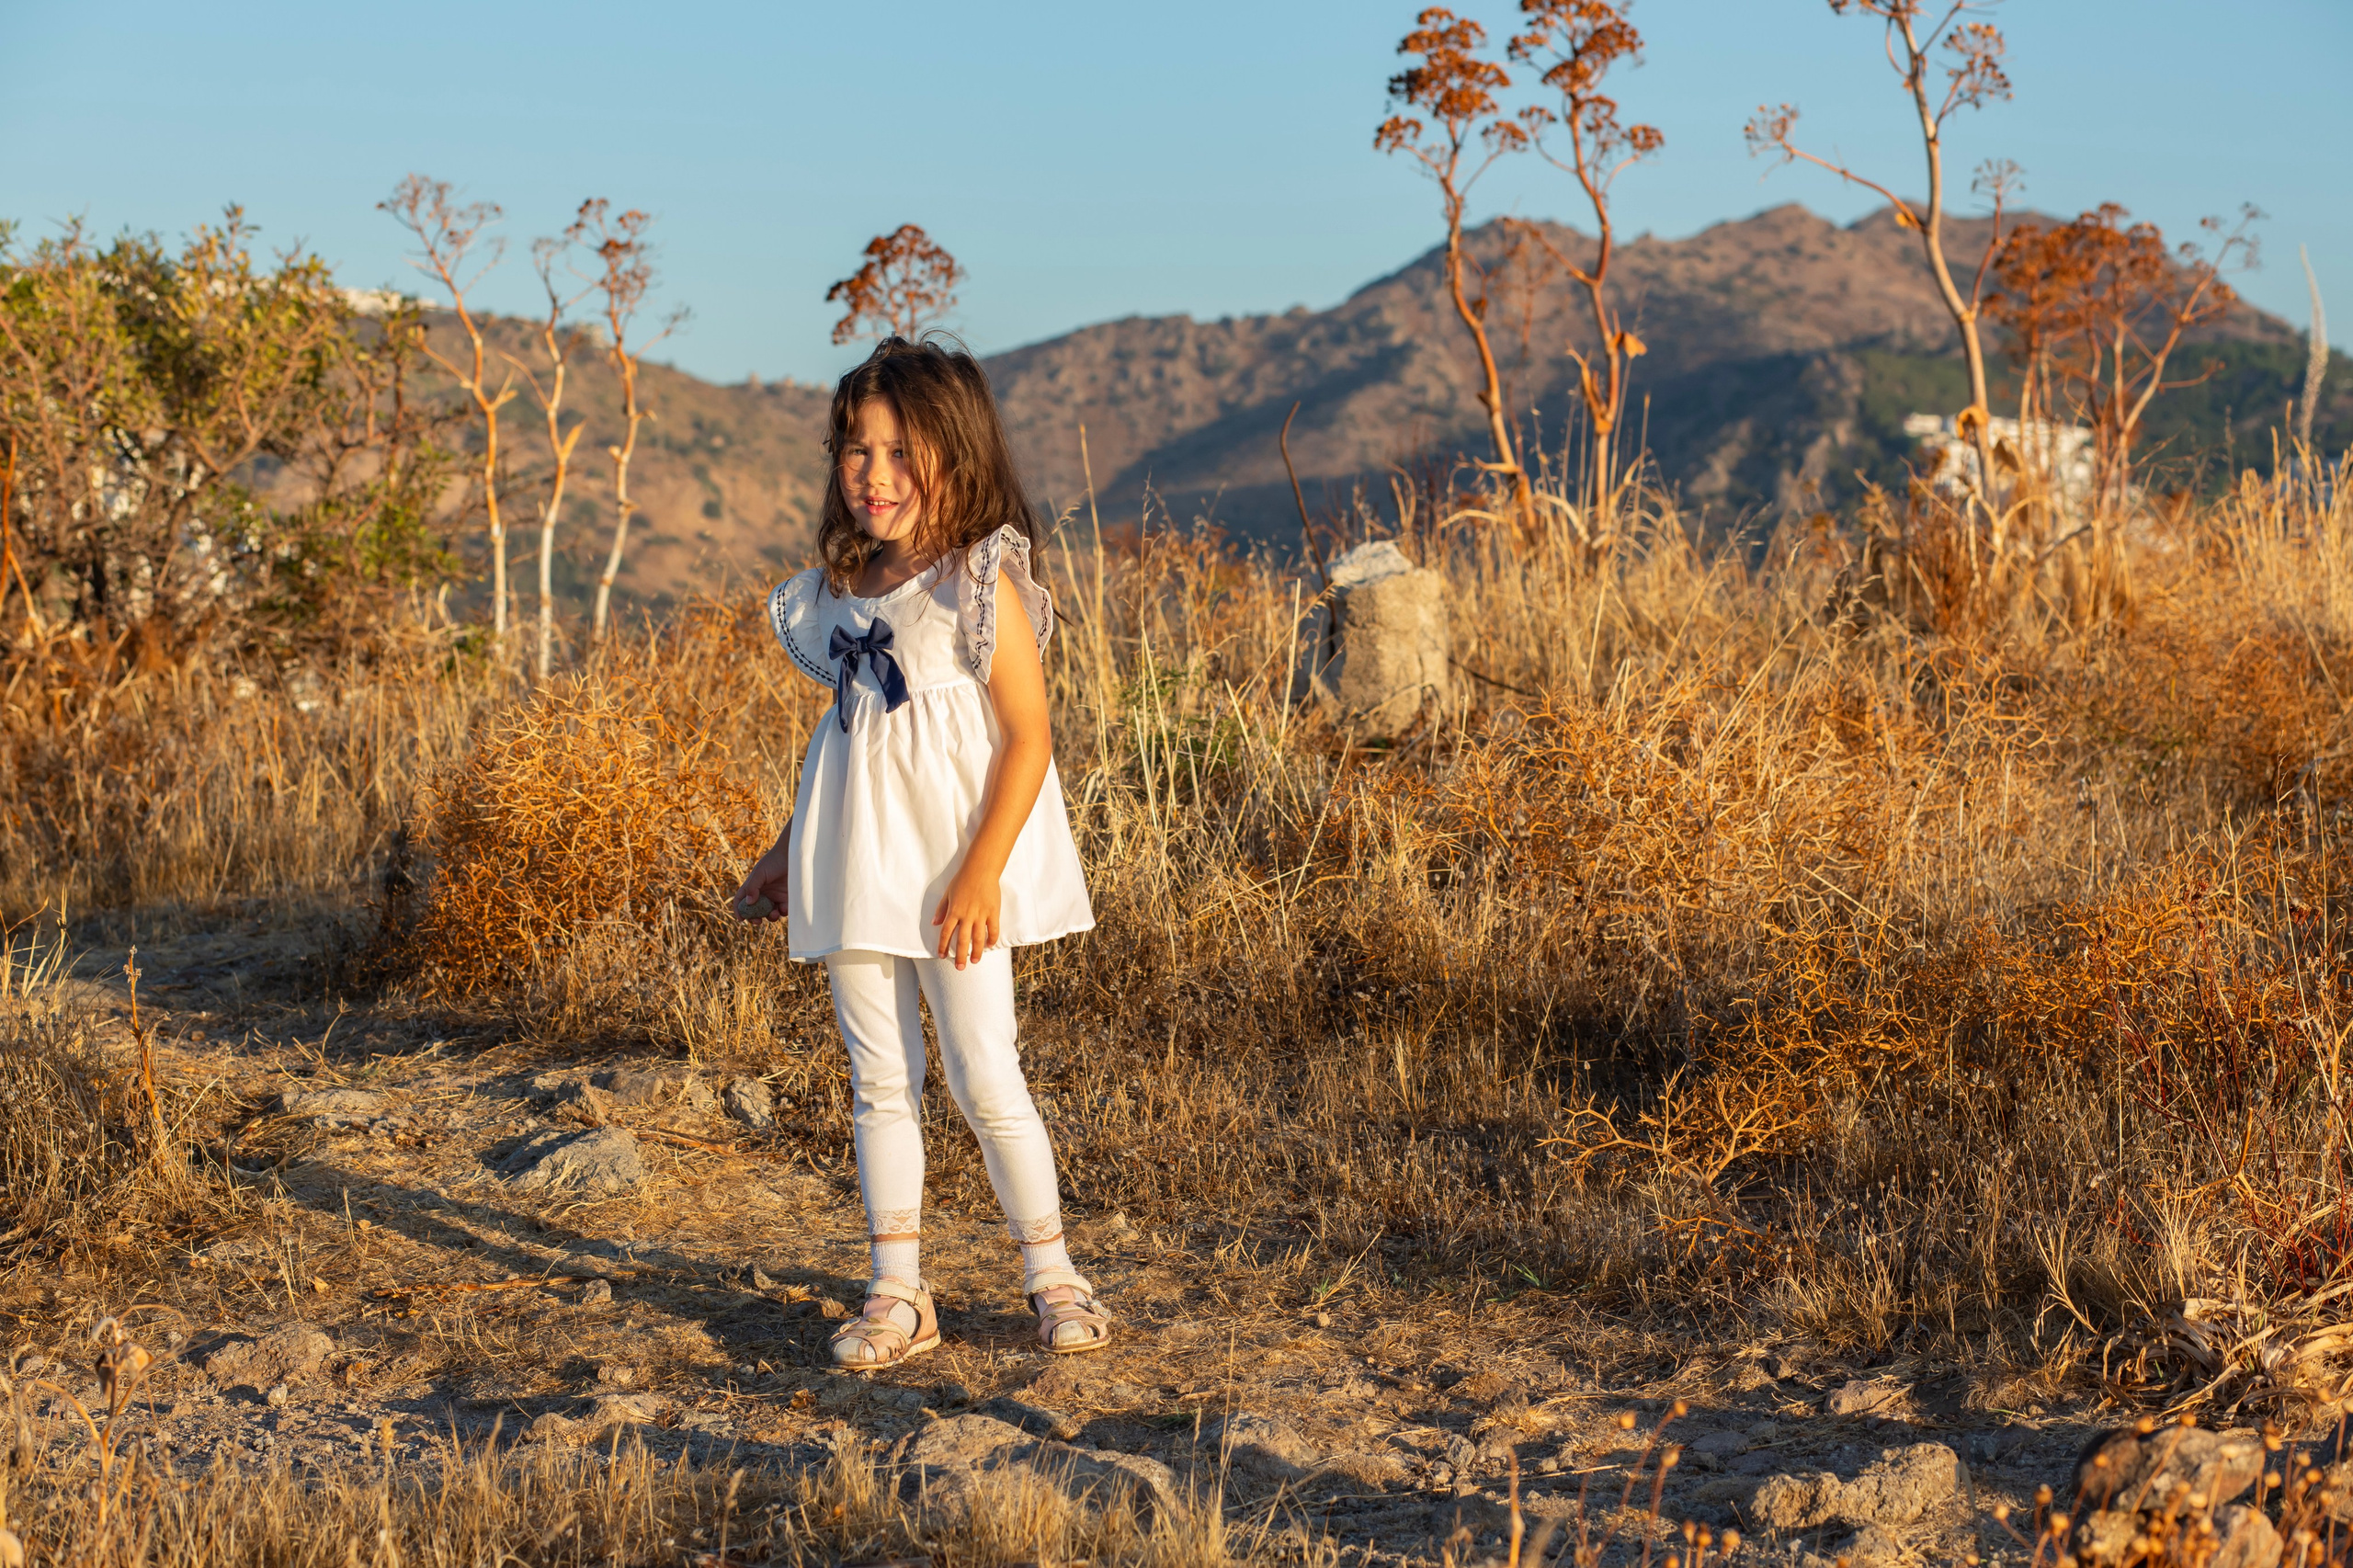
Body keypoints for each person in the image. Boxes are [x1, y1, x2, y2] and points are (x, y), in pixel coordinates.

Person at [733, 335, 1108, 1368]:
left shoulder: (978, 581)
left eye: (902, 452)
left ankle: (1053, 1273)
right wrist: (784, 848)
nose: (874, 474)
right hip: (856, 862)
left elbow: (1028, 736)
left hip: (955, 872)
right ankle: (896, 1289)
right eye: (856, 449)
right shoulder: (841, 587)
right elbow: (846, 740)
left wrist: (983, 868)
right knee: (878, 1076)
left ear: (958, 452)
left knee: (986, 1073)